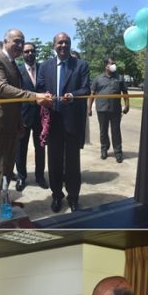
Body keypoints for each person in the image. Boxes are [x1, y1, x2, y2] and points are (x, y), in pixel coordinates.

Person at [0, 29, 52, 207]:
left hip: (12, 123)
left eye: (22, 42)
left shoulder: (12, 63)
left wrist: (19, 122)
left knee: (7, 167)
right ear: (5, 41)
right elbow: (2, 89)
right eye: (16, 41)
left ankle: (4, 201)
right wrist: (35, 96)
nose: (20, 45)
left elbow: (15, 101)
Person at [38, 32, 90, 213]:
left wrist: (72, 95)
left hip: (71, 121)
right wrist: (45, 95)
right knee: (54, 162)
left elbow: (86, 88)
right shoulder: (45, 66)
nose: (63, 45)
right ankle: (57, 195)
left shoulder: (81, 65)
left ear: (70, 45)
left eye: (66, 42)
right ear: (54, 45)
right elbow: (40, 86)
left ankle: (73, 197)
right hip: (52, 122)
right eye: (60, 42)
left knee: (73, 163)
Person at [16, 42, 48, 192]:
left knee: (40, 148)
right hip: (23, 116)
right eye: (26, 51)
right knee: (20, 149)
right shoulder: (17, 70)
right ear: (22, 54)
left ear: (36, 53)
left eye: (32, 51)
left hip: (41, 117)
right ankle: (21, 177)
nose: (29, 54)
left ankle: (40, 176)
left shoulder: (44, 69)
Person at [89, 58, 129, 163]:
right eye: (111, 63)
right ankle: (104, 149)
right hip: (101, 109)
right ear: (106, 66)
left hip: (115, 109)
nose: (114, 65)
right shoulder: (98, 79)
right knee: (103, 131)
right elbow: (92, 94)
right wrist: (89, 108)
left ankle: (118, 152)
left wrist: (127, 105)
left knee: (116, 131)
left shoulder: (119, 78)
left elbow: (125, 92)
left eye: (114, 63)